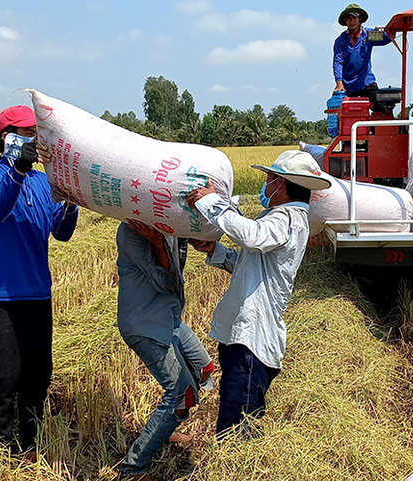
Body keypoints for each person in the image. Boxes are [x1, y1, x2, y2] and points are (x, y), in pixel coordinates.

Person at [185, 151, 331, 433]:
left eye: (269, 178)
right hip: (243, 339)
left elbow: (251, 237)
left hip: (251, 343)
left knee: (237, 430)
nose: (265, 185)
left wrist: (212, 201)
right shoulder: (280, 217)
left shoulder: (288, 218)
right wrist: (215, 250)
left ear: (280, 182)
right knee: (235, 419)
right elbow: (250, 264)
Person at [0, 105, 79, 458]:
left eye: (36, 133)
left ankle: (30, 443)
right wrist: (18, 169)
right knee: (6, 377)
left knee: (38, 375)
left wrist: (70, 203)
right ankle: (1, 448)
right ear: (6, 137)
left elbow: (61, 232)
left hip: (37, 292)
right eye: (26, 134)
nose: (34, 139)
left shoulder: (43, 181)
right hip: (0, 293)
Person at [115, 219, 215, 480]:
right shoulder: (131, 232)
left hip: (169, 317)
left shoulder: (166, 224)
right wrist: (158, 244)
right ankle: (133, 468)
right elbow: (167, 283)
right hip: (144, 322)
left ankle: (163, 427)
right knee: (183, 395)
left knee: (204, 368)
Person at [333, 3, 392, 113]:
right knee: (344, 113)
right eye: (349, 18)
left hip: (366, 81)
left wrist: (390, 29)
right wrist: (339, 82)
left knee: (380, 108)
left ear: (360, 19)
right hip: (348, 84)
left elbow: (388, 38)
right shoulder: (340, 41)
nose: (352, 21)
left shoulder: (368, 35)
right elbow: (338, 62)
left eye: (354, 17)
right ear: (345, 21)